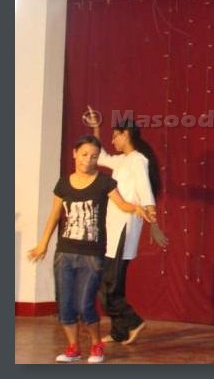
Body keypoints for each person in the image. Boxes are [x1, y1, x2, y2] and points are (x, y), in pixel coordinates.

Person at [28, 135, 151, 364]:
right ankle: (73, 348)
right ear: (75, 154)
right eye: (84, 154)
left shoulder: (105, 182)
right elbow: (55, 215)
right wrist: (42, 244)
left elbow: (122, 203)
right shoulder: (63, 184)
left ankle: (96, 345)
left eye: (94, 156)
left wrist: (137, 208)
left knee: (85, 305)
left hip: (92, 255)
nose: (88, 160)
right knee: (65, 305)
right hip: (65, 253)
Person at [83, 107, 169, 346]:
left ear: (126, 134)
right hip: (112, 226)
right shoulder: (122, 160)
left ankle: (132, 321)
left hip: (125, 226)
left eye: (115, 136)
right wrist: (96, 127)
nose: (112, 141)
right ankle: (120, 331)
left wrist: (154, 225)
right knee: (110, 283)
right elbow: (100, 157)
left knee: (108, 283)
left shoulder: (138, 160)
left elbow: (145, 191)